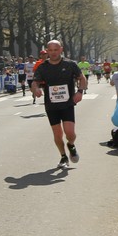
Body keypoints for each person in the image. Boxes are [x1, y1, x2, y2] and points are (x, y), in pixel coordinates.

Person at [31, 39, 87, 167]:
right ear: (47, 51)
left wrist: (80, 92)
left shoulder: (70, 64)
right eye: (50, 50)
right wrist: (36, 89)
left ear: (61, 49)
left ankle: (71, 145)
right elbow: (35, 82)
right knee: (57, 134)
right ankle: (63, 157)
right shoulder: (43, 67)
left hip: (67, 104)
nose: (53, 52)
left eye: (56, 50)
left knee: (70, 133)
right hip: (51, 105)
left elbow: (82, 78)